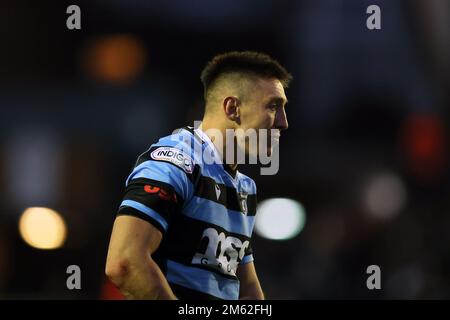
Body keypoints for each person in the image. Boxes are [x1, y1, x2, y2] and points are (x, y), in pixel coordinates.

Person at [105, 51, 291, 300]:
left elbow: (246, 291)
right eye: (273, 106)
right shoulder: (174, 162)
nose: (283, 122)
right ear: (233, 108)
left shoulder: (245, 188)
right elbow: (125, 262)